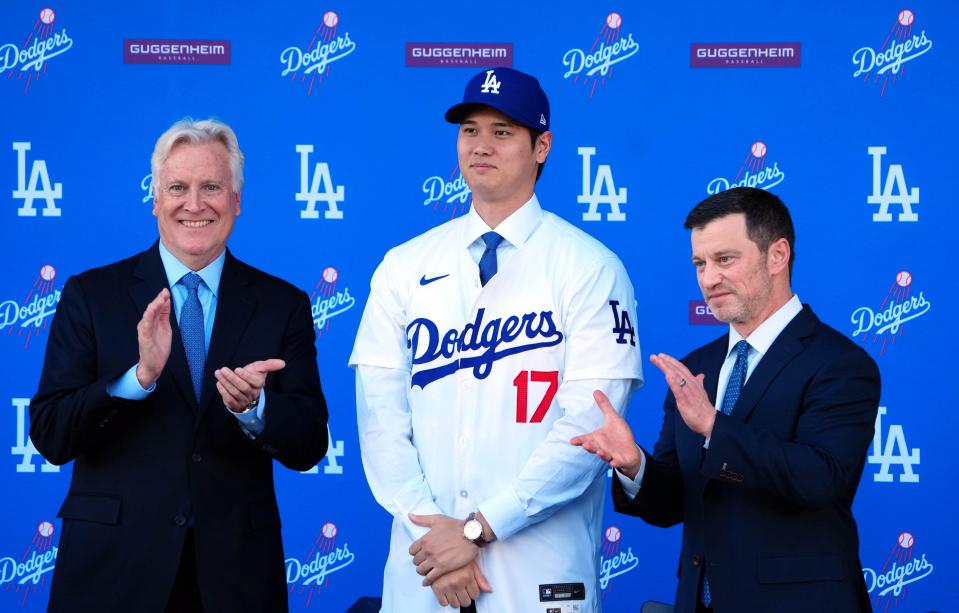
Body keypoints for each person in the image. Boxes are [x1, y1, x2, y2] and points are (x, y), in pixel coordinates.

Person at [349, 67, 643, 612]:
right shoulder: (404, 266)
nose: (481, 145)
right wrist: (436, 536)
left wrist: (477, 530)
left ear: (542, 146)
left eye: (503, 131)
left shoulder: (591, 267)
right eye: (470, 130)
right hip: (426, 570)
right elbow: (380, 420)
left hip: (537, 573)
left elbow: (589, 429)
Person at [30, 118, 329, 613]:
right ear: (154, 199)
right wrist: (136, 379)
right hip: (112, 574)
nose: (194, 204)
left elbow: (310, 442)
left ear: (236, 200)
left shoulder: (283, 304)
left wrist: (255, 409)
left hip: (236, 578)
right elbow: (50, 434)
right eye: (178, 187)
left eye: (212, 186)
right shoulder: (90, 296)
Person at [571, 187, 881, 613]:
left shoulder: (840, 363)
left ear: (777, 255)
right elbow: (674, 502)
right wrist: (634, 465)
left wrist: (715, 428)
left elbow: (821, 479)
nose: (708, 278)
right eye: (699, 263)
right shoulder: (697, 366)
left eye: (725, 260)